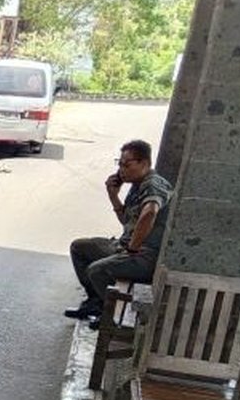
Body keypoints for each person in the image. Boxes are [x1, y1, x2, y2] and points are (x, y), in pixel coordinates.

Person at [65, 140, 172, 328]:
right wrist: (113, 195)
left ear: (144, 164)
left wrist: (132, 249)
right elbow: (127, 222)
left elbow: (150, 212)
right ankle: (96, 303)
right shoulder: (136, 185)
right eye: (120, 164)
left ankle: (112, 319)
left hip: (144, 255)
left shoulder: (153, 185)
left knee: (97, 270)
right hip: (123, 246)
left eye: (127, 164)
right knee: (79, 247)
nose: (122, 170)